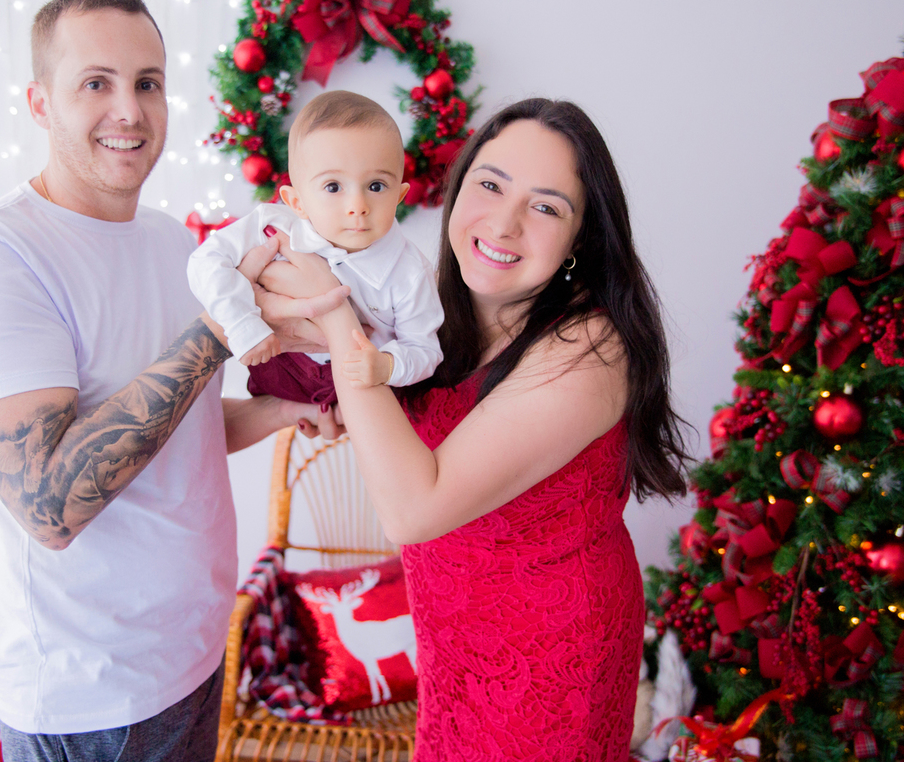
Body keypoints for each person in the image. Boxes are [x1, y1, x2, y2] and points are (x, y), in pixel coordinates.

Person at [0, 0, 344, 762]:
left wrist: (287, 413)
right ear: (40, 102)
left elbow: (175, 428)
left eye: (148, 83)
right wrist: (217, 334)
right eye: (96, 83)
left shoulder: (169, 245)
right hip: (91, 700)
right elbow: (50, 505)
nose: (130, 109)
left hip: (190, 653)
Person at [256, 98, 692, 760]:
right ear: (458, 190)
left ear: (581, 237)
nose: (506, 222)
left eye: (546, 206)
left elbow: (412, 508)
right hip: (454, 642)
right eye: (490, 185)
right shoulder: (437, 312)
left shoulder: (590, 346)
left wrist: (334, 314)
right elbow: (346, 409)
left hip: (554, 658)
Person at [188, 90, 443, 407]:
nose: (358, 206)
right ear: (297, 202)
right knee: (208, 404)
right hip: (278, 362)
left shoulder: (410, 273)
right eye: (333, 187)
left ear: (399, 195)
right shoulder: (274, 226)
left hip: (351, 384)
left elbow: (425, 349)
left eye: (376, 186)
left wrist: (387, 365)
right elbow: (205, 261)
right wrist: (242, 321)